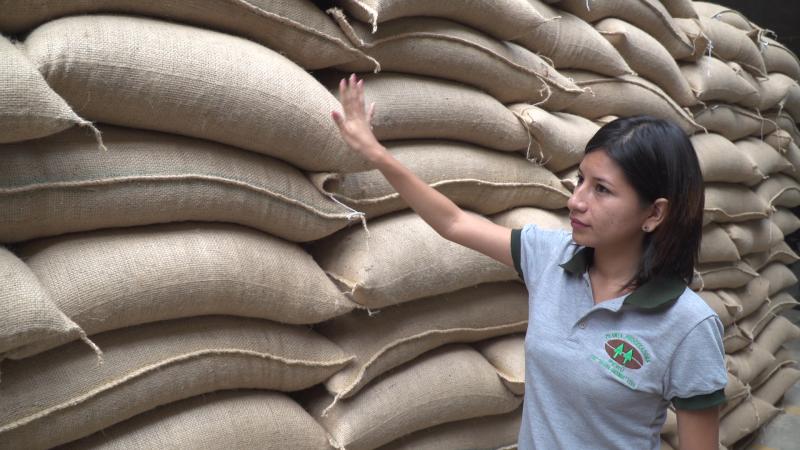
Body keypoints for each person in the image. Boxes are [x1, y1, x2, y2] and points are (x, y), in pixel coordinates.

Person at [331, 73, 728, 450]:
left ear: (654, 214)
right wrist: (377, 154)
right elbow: (453, 222)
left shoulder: (687, 326)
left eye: (602, 190)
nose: (576, 201)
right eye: (580, 182)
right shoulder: (551, 257)